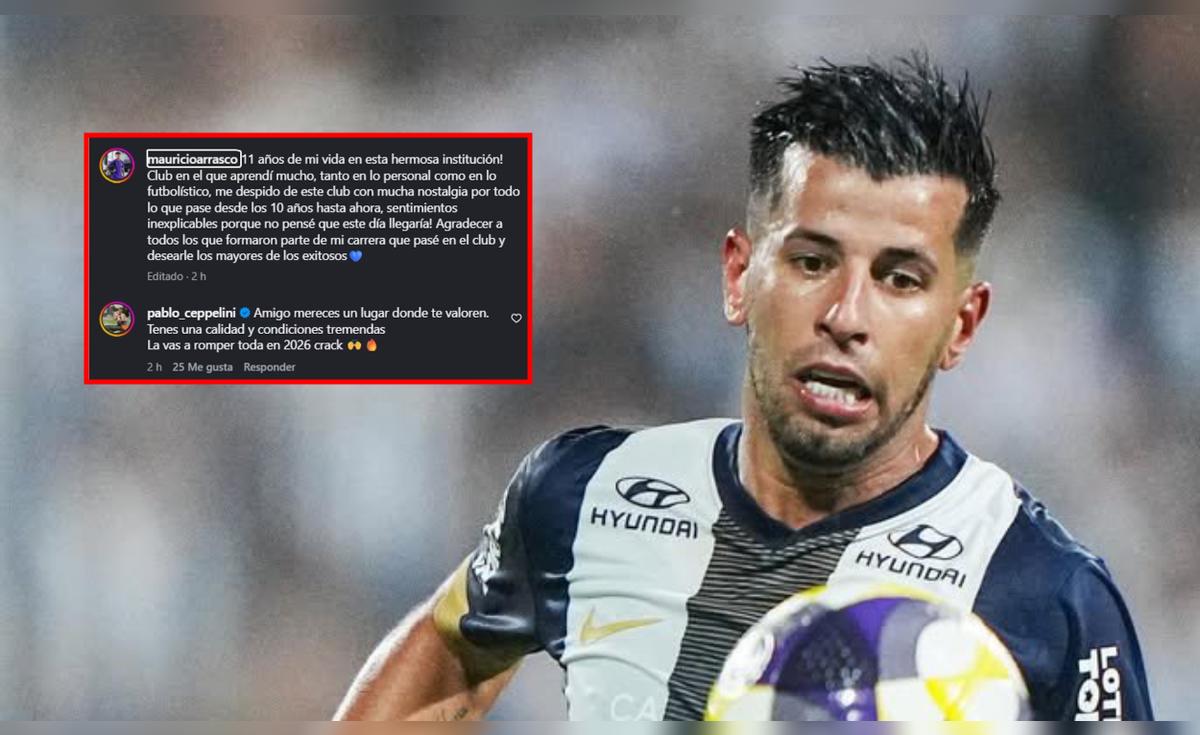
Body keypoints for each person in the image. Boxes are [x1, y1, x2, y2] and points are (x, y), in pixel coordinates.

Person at [335, 54, 1153, 721]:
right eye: (812, 261)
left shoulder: (1047, 595)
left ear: (961, 326)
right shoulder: (583, 493)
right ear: (738, 276)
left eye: (900, 278)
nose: (846, 315)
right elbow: (438, 676)